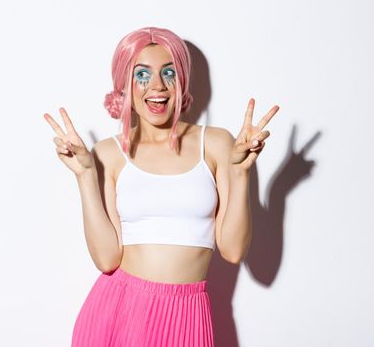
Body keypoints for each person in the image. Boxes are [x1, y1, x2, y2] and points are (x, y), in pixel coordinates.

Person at [44, 26, 279, 347]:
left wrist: (241, 174)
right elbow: (106, 259)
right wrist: (84, 175)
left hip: (188, 315)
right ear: (124, 86)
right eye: (142, 74)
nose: (157, 85)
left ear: (182, 80)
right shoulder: (109, 154)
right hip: (118, 310)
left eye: (169, 72)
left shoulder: (216, 144)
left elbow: (234, 250)